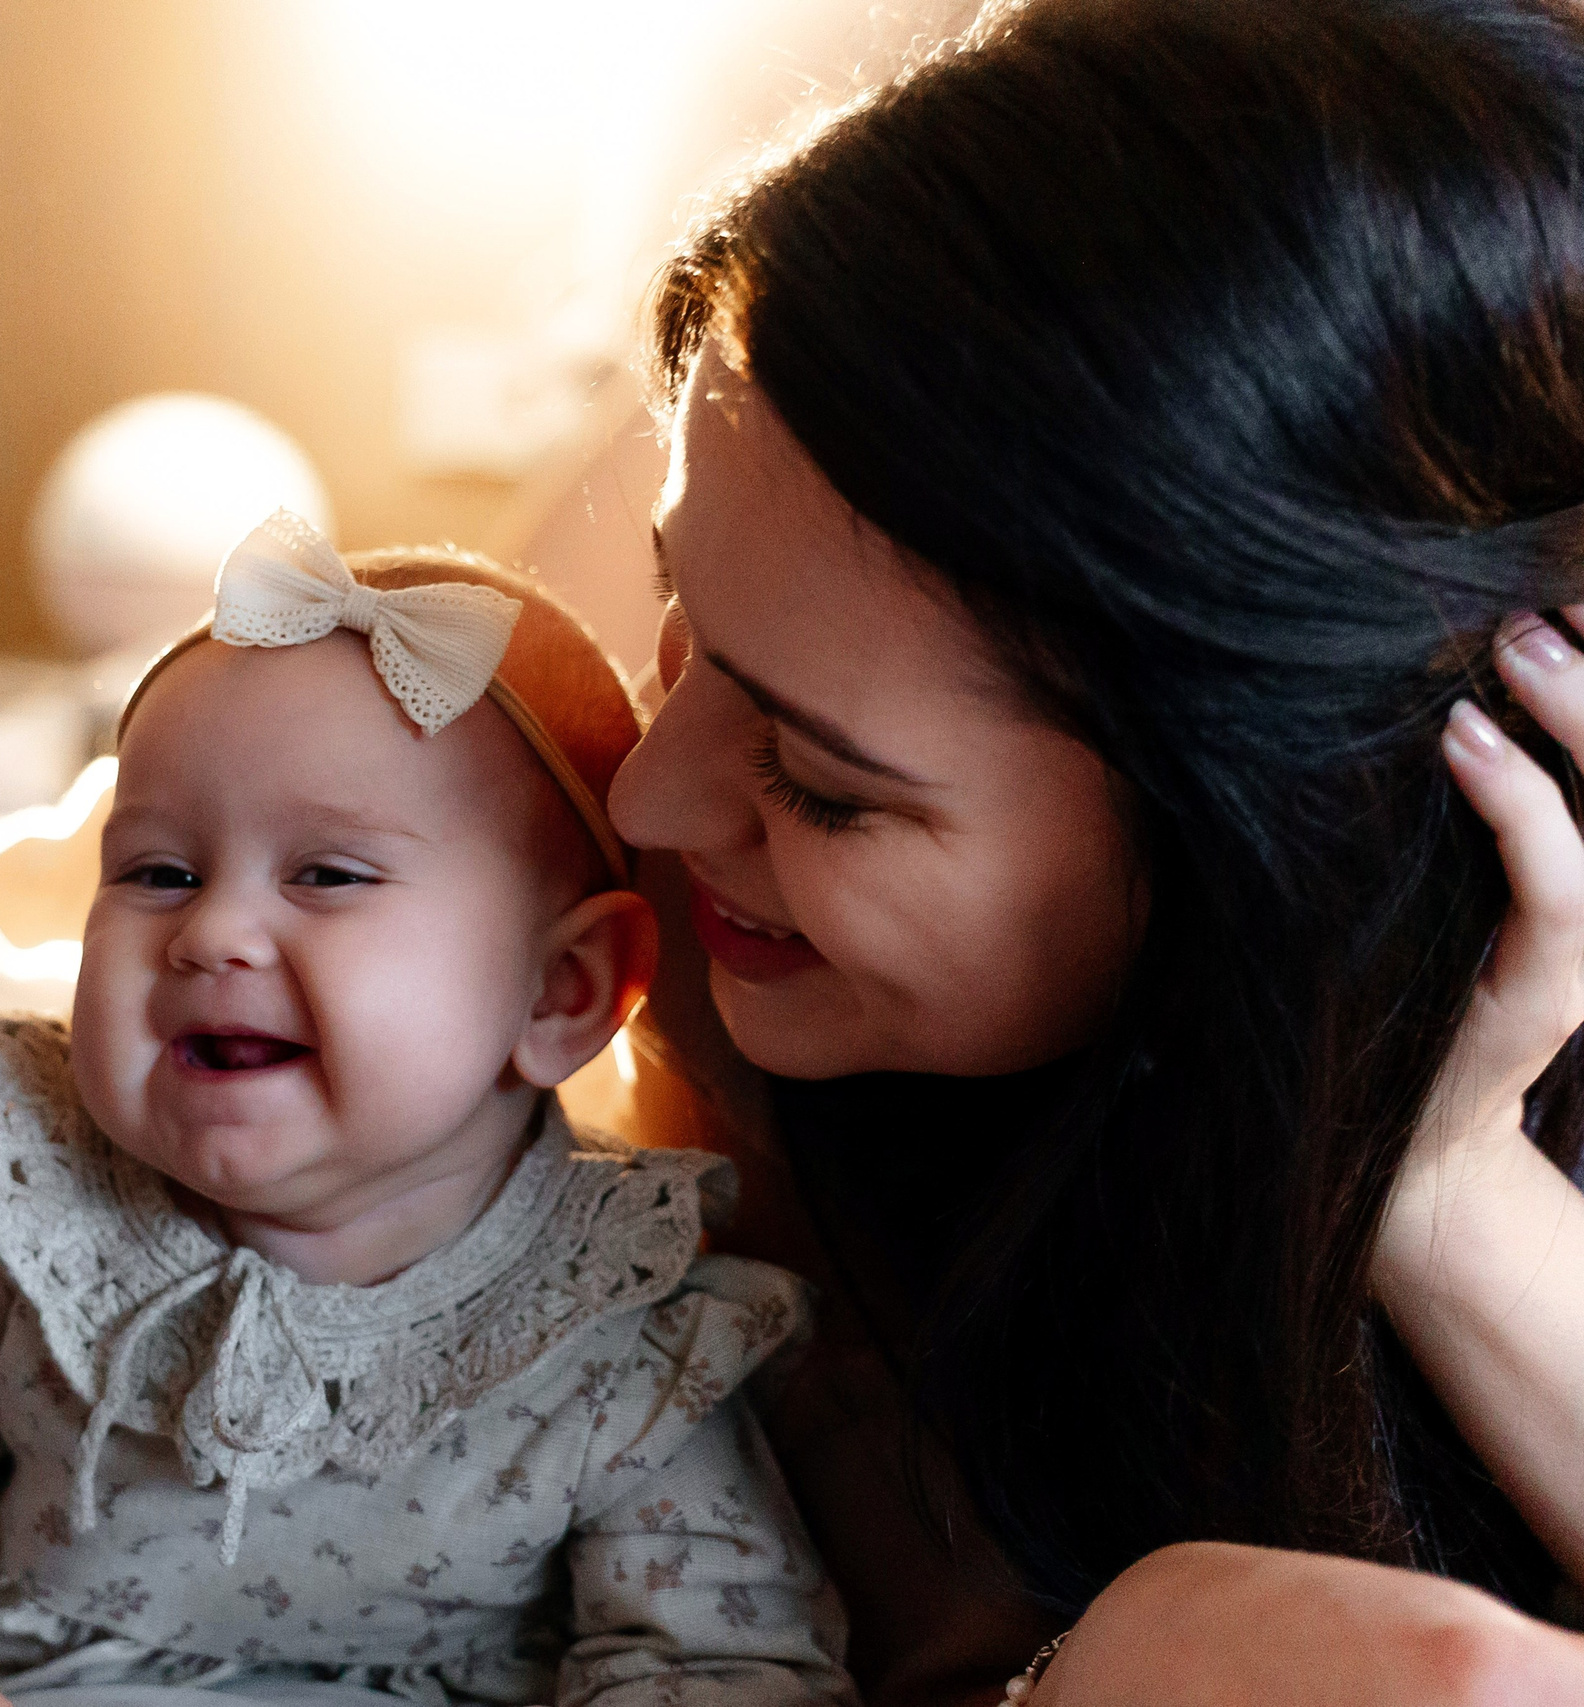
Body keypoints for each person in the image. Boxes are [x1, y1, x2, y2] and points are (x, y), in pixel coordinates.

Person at [607, 0, 1584, 1701]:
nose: (647, 793)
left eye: (821, 780)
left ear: (1275, 846)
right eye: (677, 621)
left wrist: (1428, 1178)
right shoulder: (715, 985)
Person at [0, 515, 856, 1706]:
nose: (213, 933)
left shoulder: (619, 1327)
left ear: (562, 992)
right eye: (158, 873)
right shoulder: (17, 1219)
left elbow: (712, 1660)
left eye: (327, 876)